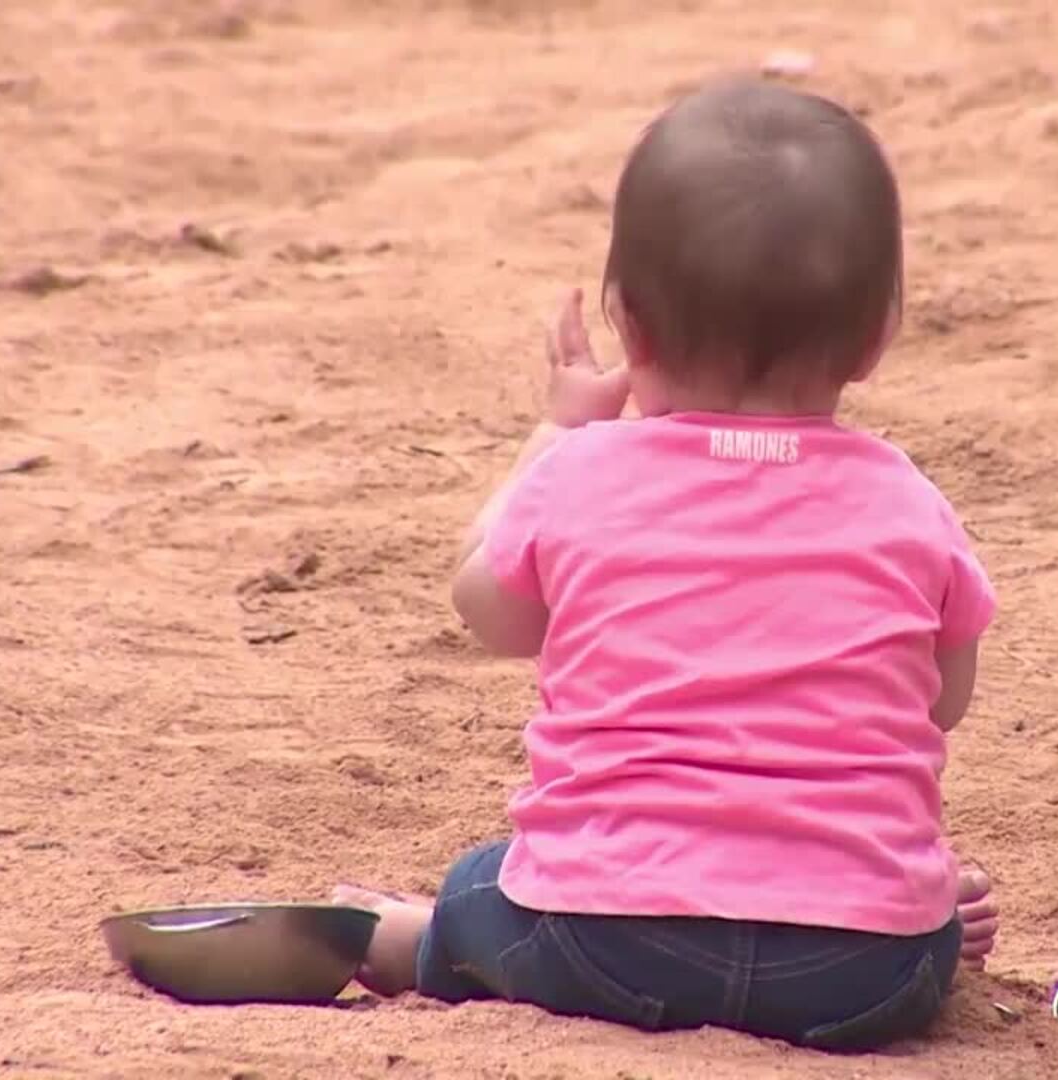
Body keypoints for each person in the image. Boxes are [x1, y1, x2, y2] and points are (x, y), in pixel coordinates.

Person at [333, 75, 1001, 1052]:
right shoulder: (908, 501)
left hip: (605, 940)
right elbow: (941, 701)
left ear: (629, 327)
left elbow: (489, 609)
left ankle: (414, 945)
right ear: (877, 338)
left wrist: (554, 434)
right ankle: (925, 914)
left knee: (487, 887)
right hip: (863, 976)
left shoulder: (585, 472)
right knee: (933, 903)